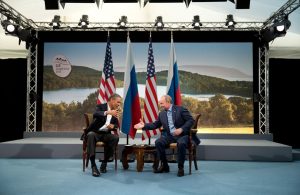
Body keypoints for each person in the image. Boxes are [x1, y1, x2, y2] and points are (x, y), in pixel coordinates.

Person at [134, 95, 200, 177]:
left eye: (162, 103)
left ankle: (180, 168)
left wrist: (181, 129)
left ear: (168, 102)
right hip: (171, 136)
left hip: (184, 135)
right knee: (158, 142)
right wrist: (143, 126)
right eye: (160, 103)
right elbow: (155, 125)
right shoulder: (162, 114)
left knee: (181, 143)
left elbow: (191, 120)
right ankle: (165, 166)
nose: (160, 105)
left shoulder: (180, 109)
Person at [86, 93, 122, 177]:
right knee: (90, 135)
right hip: (95, 132)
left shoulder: (116, 111)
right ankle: (93, 166)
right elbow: (95, 114)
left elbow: (116, 125)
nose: (119, 104)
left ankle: (104, 162)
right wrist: (108, 112)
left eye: (119, 103)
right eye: (118, 102)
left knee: (115, 138)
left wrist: (113, 126)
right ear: (112, 100)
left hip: (105, 134)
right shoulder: (101, 106)